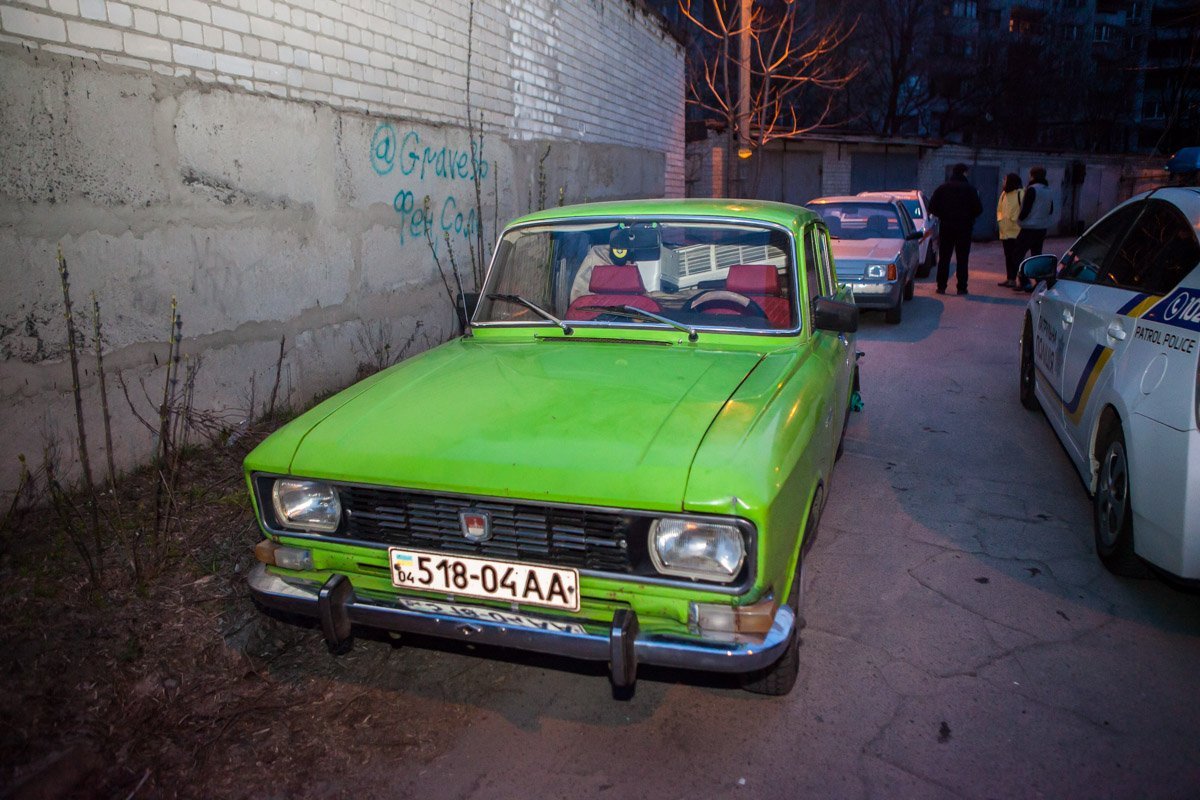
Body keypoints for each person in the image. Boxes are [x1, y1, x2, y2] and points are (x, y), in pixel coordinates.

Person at [928, 163, 983, 295]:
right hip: (964, 228)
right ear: (964, 173)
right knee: (962, 259)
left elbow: (932, 207)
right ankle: (962, 287)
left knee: (944, 258)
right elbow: (978, 209)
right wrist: (968, 217)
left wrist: (944, 215)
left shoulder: (942, 188)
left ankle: (941, 286)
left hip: (947, 227)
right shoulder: (970, 189)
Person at [1015, 166, 1056, 291]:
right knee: (1037, 256)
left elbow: (1026, 208)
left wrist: (1020, 219)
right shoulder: (1048, 190)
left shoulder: (1032, 189)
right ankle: (1038, 282)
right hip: (1042, 228)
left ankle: (1024, 281)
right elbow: (1051, 209)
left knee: (1017, 254)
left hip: (1029, 227)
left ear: (1032, 175)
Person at [996, 173, 1024, 288]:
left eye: (1005, 180)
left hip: (1017, 231)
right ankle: (1010, 278)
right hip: (1005, 231)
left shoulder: (1021, 193)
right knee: (1008, 256)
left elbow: (1024, 209)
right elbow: (999, 209)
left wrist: (1016, 219)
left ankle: (1021, 279)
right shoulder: (1003, 194)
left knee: (1016, 256)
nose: (1003, 182)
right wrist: (1000, 221)